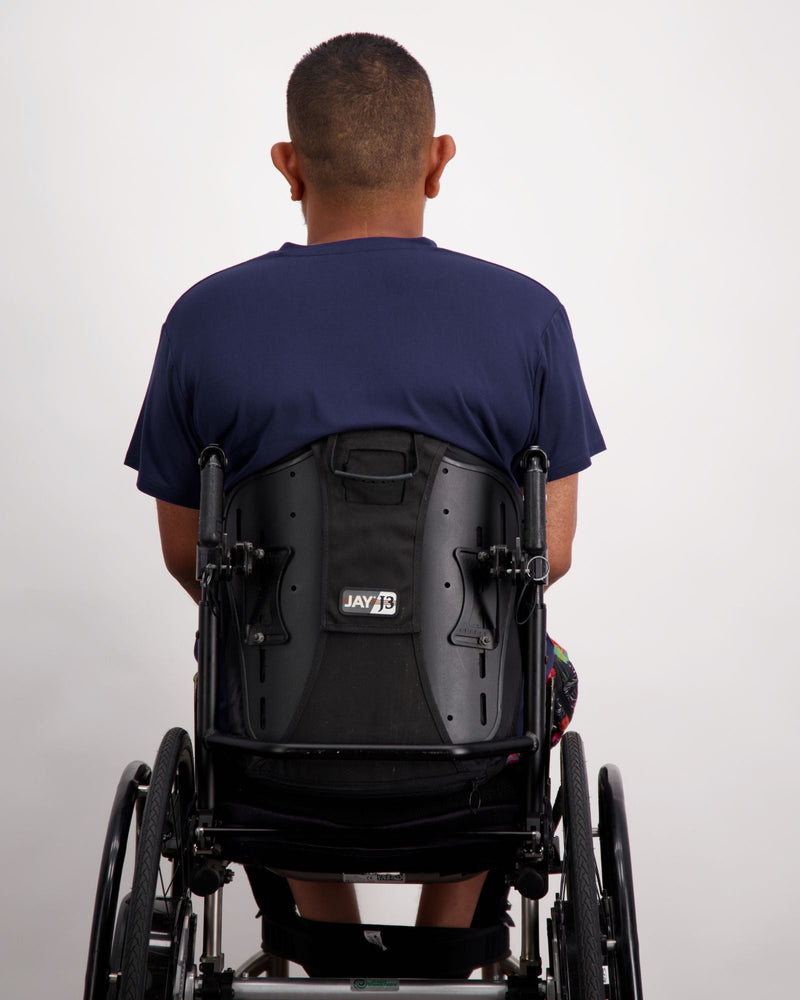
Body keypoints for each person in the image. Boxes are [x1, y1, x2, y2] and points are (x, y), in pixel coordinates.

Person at [125, 33, 604, 933]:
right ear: (438, 161)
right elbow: (554, 553)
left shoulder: (204, 318)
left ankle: (324, 923)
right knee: (547, 672)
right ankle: (452, 925)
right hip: (471, 745)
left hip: (273, 747)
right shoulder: (530, 318)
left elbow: (193, 556)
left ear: (288, 165)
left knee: (239, 645)